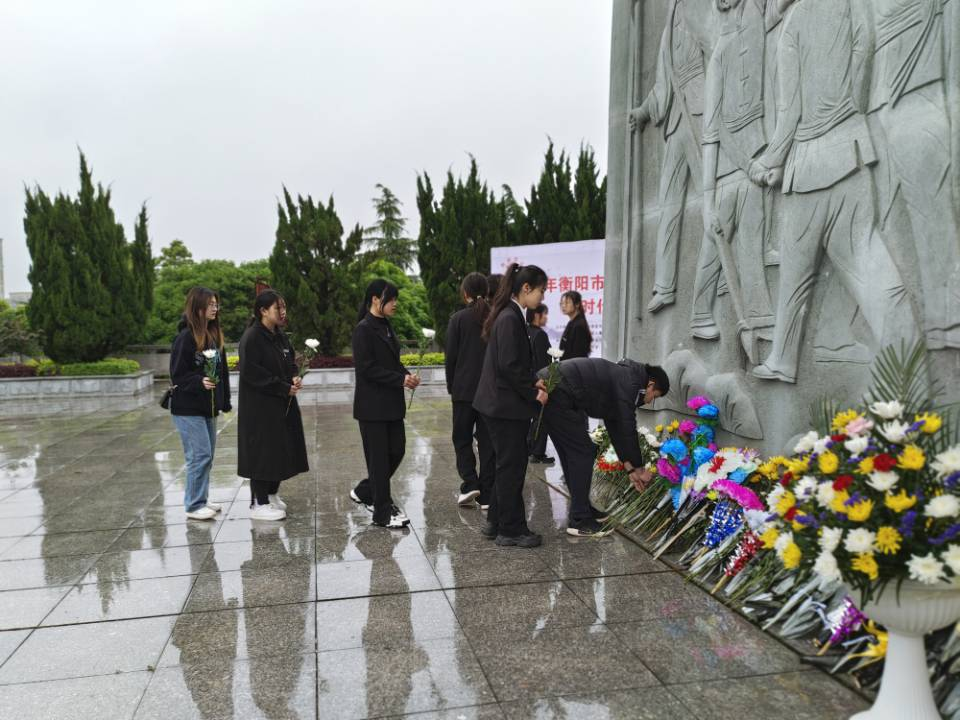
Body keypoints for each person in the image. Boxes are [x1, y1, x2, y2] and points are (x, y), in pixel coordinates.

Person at [539, 357, 669, 536]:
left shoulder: (627, 378)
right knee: (583, 451)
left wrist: (630, 469)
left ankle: (582, 508)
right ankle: (580, 519)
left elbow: (615, 427)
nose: (648, 402)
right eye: (654, 397)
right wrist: (640, 468)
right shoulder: (630, 383)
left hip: (555, 387)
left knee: (573, 452)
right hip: (557, 390)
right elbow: (627, 428)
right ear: (650, 385)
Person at [473, 263, 550, 548]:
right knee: (512, 467)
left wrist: (533, 380)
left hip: (499, 405)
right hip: (504, 407)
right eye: (541, 290)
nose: (542, 296)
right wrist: (533, 393)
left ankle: (496, 522)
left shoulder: (510, 314)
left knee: (506, 465)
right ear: (526, 288)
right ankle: (511, 529)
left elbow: (512, 363)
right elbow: (509, 366)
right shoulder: (510, 317)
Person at [349, 279, 420, 529]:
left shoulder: (387, 325)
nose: (395, 304)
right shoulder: (363, 329)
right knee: (379, 460)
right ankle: (382, 513)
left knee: (397, 451)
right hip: (372, 407)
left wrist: (407, 376)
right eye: (390, 299)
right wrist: (399, 379)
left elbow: (392, 362)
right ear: (375, 300)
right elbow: (367, 369)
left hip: (391, 405)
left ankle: (365, 491)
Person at [237, 289, 309, 521]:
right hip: (260, 407)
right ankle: (258, 503)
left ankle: (271, 494)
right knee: (262, 452)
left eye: (284, 307)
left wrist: (294, 377)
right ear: (263, 311)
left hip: (282, 404)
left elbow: (290, 362)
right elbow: (252, 373)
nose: (283, 312)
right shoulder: (252, 338)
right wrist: (281, 387)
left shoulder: (280, 335)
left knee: (282, 447)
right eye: (278, 308)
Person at [168, 287, 232, 521]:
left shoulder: (213, 336)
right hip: (187, 408)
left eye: (216, 304)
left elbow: (223, 373)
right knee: (199, 455)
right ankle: (194, 505)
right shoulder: (185, 338)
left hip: (208, 407)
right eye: (211, 305)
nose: (215, 308)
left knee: (207, 455)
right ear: (198, 308)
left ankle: (201, 498)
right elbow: (177, 374)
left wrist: (225, 402)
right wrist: (198, 381)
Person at [445, 273, 495, 508]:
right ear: (486, 291)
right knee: (487, 442)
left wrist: (452, 387)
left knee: (462, 438)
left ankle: (470, 483)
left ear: (465, 293)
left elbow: (451, 358)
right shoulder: (496, 318)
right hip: (490, 392)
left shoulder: (457, 320)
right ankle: (487, 494)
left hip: (464, 391)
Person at [526, 304, 554, 465]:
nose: (546, 318)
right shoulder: (540, 335)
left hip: (528, 380)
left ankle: (530, 447)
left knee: (533, 416)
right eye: (545, 314)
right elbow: (544, 364)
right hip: (539, 381)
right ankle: (537, 452)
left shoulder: (526, 332)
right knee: (542, 416)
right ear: (537, 315)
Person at [559, 291, 593, 359]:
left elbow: (578, 354)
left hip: (574, 364)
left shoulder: (579, 326)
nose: (563, 306)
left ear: (577, 304)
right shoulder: (572, 323)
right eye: (561, 303)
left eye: (567, 302)